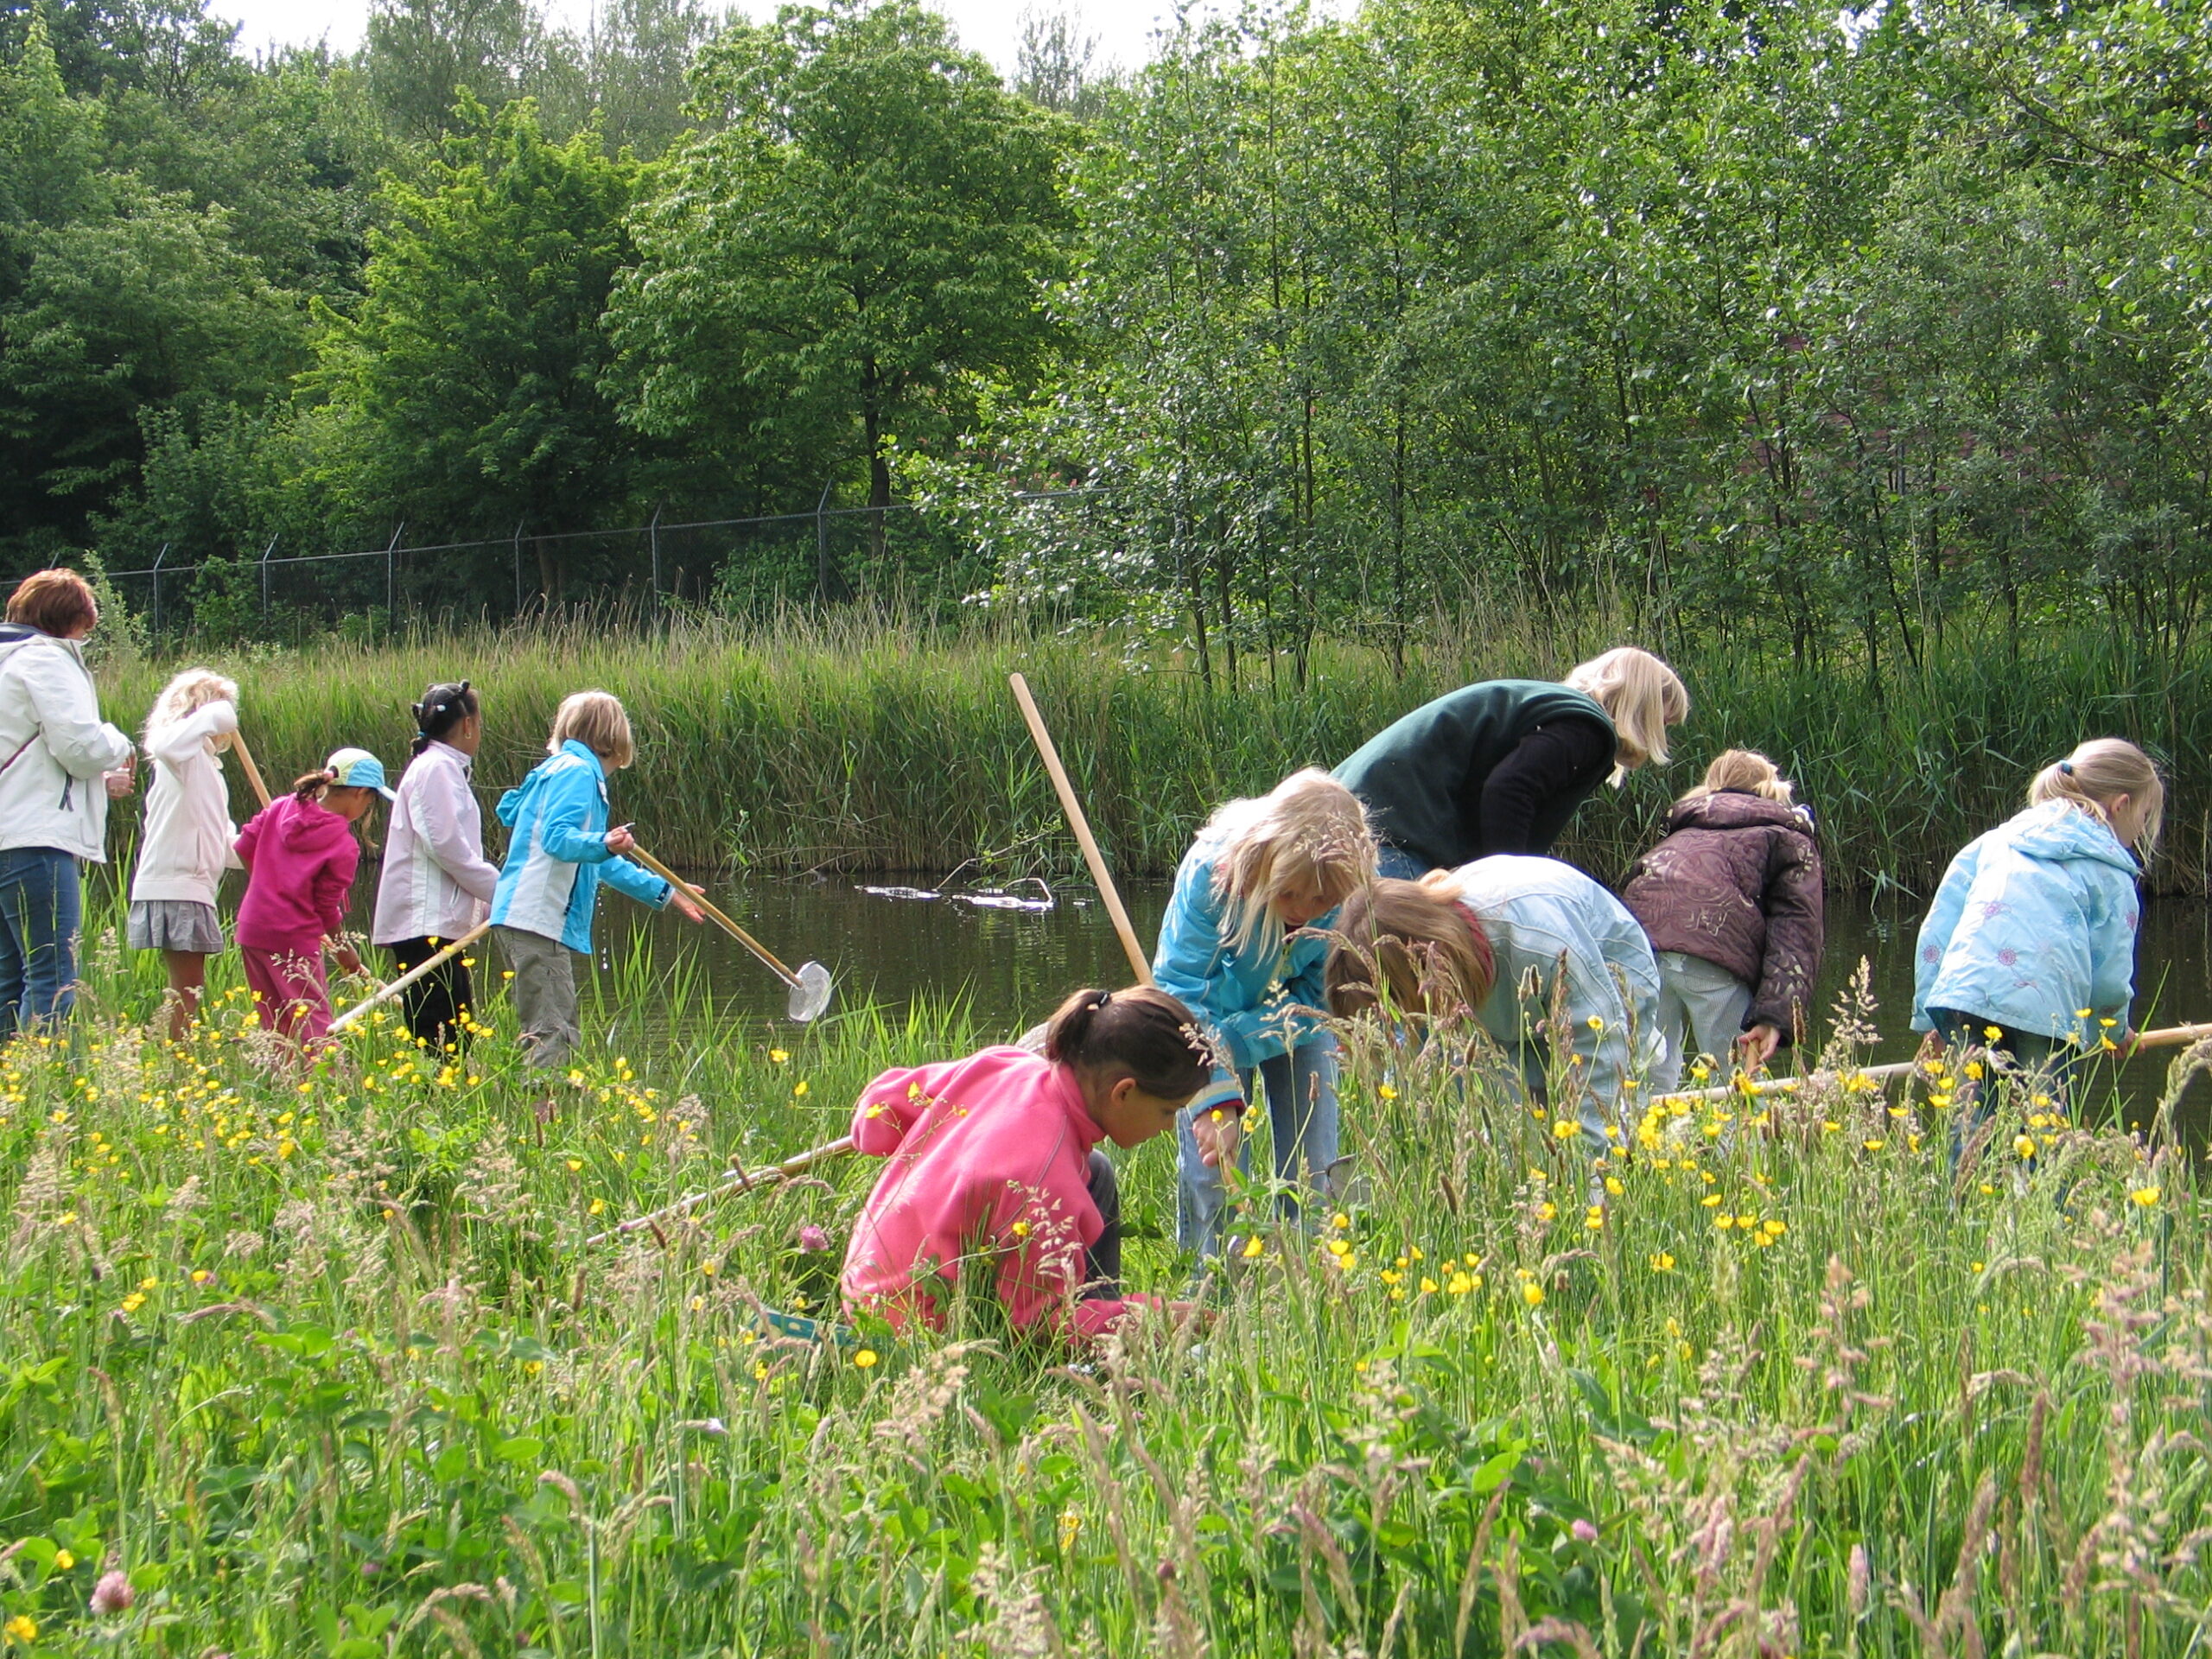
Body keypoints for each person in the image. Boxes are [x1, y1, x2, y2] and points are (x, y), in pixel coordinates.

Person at [842, 984, 1214, 1340]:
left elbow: (881, 1104)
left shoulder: (1006, 1063)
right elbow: (1039, 1323)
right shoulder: (1044, 1180)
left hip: (865, 1282)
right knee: (1061, 1326)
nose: (1167, 1127)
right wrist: (1153, 1318)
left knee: (1095, 1169)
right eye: (1169, 1112)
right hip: (917, 1321)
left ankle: (1096, 1301)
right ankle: (1102, 1345)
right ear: (1124, 1092)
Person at [1153, 767, 1376, 1257]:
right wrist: (1218, 1096)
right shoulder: (1211, 879)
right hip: (1205, 1030)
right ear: (1262, 860)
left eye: (1322, 900)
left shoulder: (1344, 899)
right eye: (1289, 892)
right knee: (1215, 1167)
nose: (1303, 908)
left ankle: (1311, 1273)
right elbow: (1184, 995)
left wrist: (1245, 1037)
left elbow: (1323, 993)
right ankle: (1209, 1286)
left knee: (1314, 1162)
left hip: (1295, 1021)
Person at [1325, 856, 1663, 1149]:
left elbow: (1599, 1051)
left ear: (1424, 959)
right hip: (1508, 1004)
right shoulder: (1433, 971)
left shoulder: (1538, 938)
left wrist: (1589, 1170)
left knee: (1600, 1121)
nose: (1407, 1018)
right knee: (1516, 1128)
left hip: (1610, 978)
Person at [1911, 739, 2162, 1115]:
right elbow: (2110, 972)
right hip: (2047, 1012)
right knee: (2039, 1126)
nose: (2139, 830)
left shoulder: (1995, 843)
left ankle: (1964, 1174)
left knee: (1973, 1123)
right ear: (2120, 805)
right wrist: (2113, 1030)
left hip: (1966, 996)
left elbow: (1937, 933)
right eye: (2143, 817)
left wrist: (1932, 1015)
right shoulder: (2110, 872)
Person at [1332, 646, 1688, 879]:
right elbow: (1509, 790)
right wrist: (1509, 885)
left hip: (1345, 818)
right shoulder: (1585, 727)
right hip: (1392, 838)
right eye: (1665, 722)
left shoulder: (1549, 708)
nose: (1663, 734)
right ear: (1645, 710)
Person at [489, 690, 703, 1070]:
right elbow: (558, 838)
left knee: (553, 1023)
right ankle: (544, 1120)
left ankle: (546, 1113)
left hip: (526, 916)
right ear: (614, 739)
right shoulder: (576, 773)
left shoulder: (561, 768)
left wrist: (666, 891)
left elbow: (596, 862)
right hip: (538, 917)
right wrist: (603, 841)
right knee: (552, 1031)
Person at [1621, 749, 1824, 1090]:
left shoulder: (1681, 831)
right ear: (1772, 788)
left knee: (1649, 1079)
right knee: (1736, 1084)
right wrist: (1775, 1018)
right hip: (1710, 955)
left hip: (1639, 949)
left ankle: (1647, 1143)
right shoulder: (1788, 837)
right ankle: (1741, 1144)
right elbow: (1796, 930)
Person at [0, 569, 136, 1038]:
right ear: (73, 621)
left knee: (7, 982)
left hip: (5, 834)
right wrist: (118, 743)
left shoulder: (6, 661)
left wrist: (99, 781)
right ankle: (51, 1087)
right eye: (86, 629)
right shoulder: (47, 659)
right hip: (35, 840)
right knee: (52, 979)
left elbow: (27, 755)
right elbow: (81, 749)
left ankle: (12, 1095)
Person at [234, 749, 391, 1052]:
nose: (369, 806)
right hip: (294, 936)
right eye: (371, 800)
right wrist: (347, 954)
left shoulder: (280, 807)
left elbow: (243, 846)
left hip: (252, 928)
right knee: (313, 1021)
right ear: (359, 793)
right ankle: (329, 1088)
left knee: (275, 1022)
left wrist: (264, 887)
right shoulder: (343, 845)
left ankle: (285, 1086)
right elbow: (325, 908)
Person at [373, 681, 500, 1051]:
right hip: (424, 924)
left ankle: (448, 1098)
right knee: (438, 1035)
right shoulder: (435, 769)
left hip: (440, 925)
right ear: (467, 725)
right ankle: (435, 1100)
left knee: (457, 1031)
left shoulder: (442, 767)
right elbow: (447, 847)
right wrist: (503, 889)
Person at [129, 668, 242, 1042]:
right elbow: (166, 745)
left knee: (190, 988)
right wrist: (209, 715)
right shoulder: (179, 756)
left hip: (194, 886)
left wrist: (270, 851)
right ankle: (172, 1058)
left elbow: (224, 842)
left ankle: (170, 1054)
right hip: (175, 883)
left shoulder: (208, 766)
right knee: (188, 989)